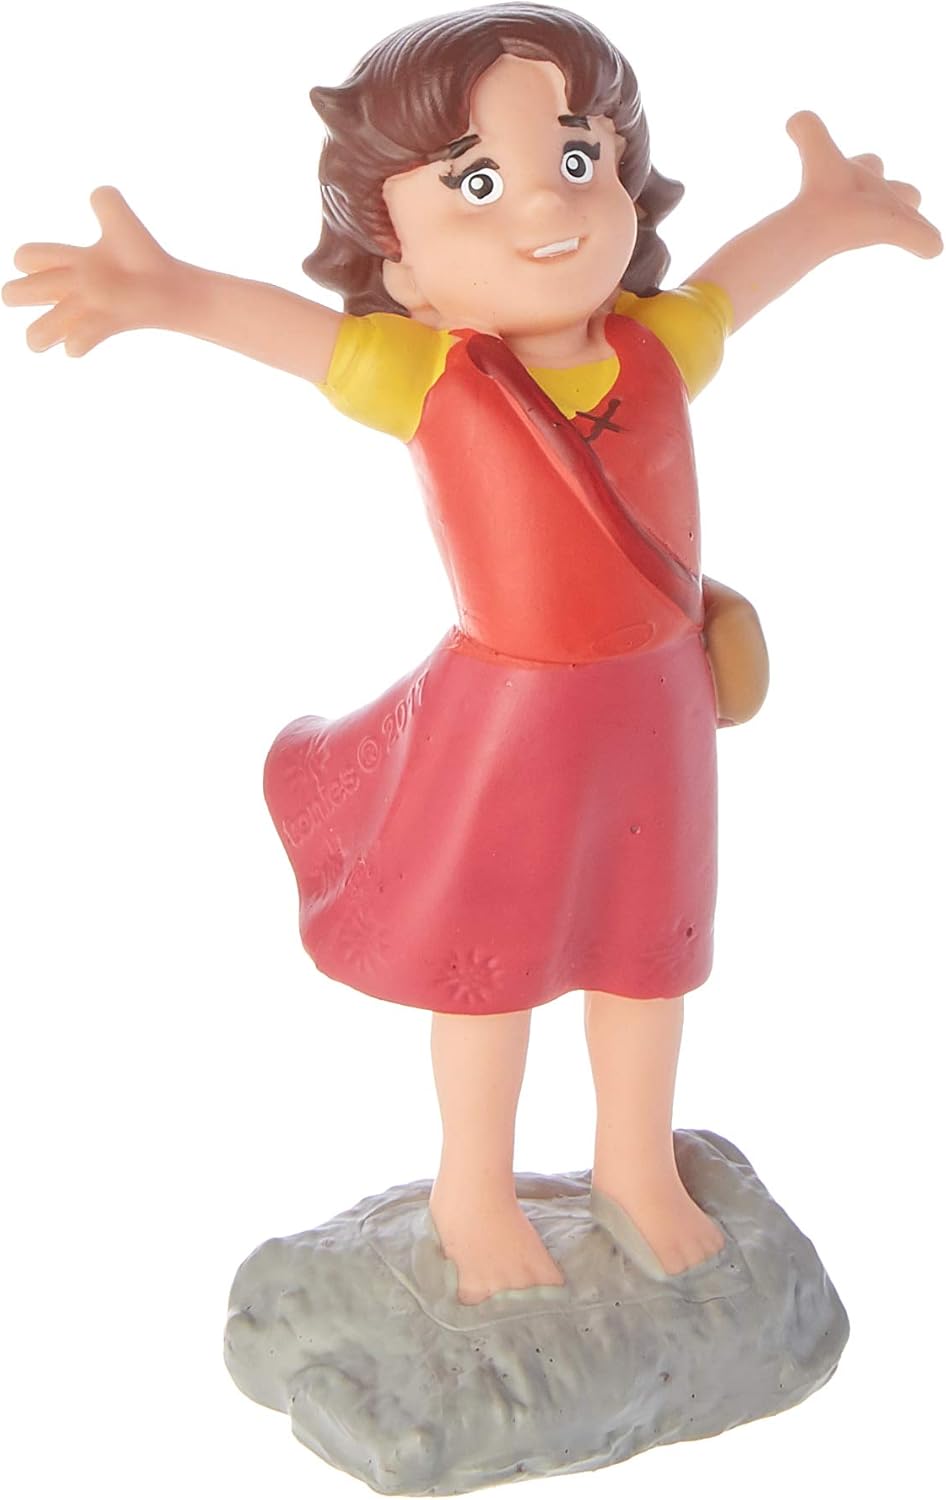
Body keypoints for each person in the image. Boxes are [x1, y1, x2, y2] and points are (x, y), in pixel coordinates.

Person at [3, 3, 939, 1307]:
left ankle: (634, 1163)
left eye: (577, 156)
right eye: (478, 183)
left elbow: (743, 278)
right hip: (511, 723)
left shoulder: (656, 347)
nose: (545, 204)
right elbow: (280, 330)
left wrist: (825, 217)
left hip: (658, 711)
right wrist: (167, 295)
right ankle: (472, 1190)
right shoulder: (423, 374)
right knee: (488, 967)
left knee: (650, 948)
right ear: (398, 263)